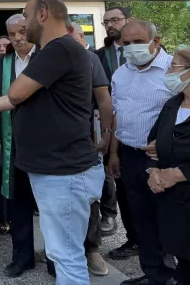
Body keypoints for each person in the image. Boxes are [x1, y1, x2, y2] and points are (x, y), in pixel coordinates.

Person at [0, 0, 103, 284]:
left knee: (66, 255)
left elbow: (15, 95)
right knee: (63, 251)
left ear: (43, 14)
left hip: (62, 172)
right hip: (58, 169)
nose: (22, 25)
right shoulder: (56, 50)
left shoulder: (57, 49)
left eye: (25, 17)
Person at [108, 20, 175, 285]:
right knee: (141, 220)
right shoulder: (120, 74)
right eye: (126, 44)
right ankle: (153, 274)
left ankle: (173, 275)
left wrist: (168, 143)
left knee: (167, 220)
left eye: (138, 42)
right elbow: (116, 116)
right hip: (129, 156)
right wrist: (114, 154)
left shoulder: (175, 71)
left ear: (155, 42)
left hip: (163, 160)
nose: (132, 48)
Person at [0, 14, 37, 278]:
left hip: (42, 144)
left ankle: (54, 258)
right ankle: (22, 257)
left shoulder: (45, 58)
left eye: (22, 32)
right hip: (12, 144)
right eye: (13, 34)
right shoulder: (2, 64)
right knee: (17, 202)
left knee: (48, 204)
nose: (18, 38)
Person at [68, 21, 114, 277]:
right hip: (55, 145)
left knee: (89, 196)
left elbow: (104, 100)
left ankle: (92, 249)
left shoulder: (90, 60)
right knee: (63, 200)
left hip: (87, 139)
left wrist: (106, 135)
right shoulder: (45, 58)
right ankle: (65, 251)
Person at [146, 47, 190, 285]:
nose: (168, 71)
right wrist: (152, 170)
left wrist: (179, 174)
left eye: (174, 66)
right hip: (174, 205)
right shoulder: (172, 105)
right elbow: (152, 144)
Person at [95, 6, 137, 248]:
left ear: (128, 20)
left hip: (143, 134)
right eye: (106, 21)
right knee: (121, 186)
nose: (110, 25)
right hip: (112, 131)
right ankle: (133, 240)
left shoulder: (148, 52)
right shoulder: (100, 56)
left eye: (115, 20)